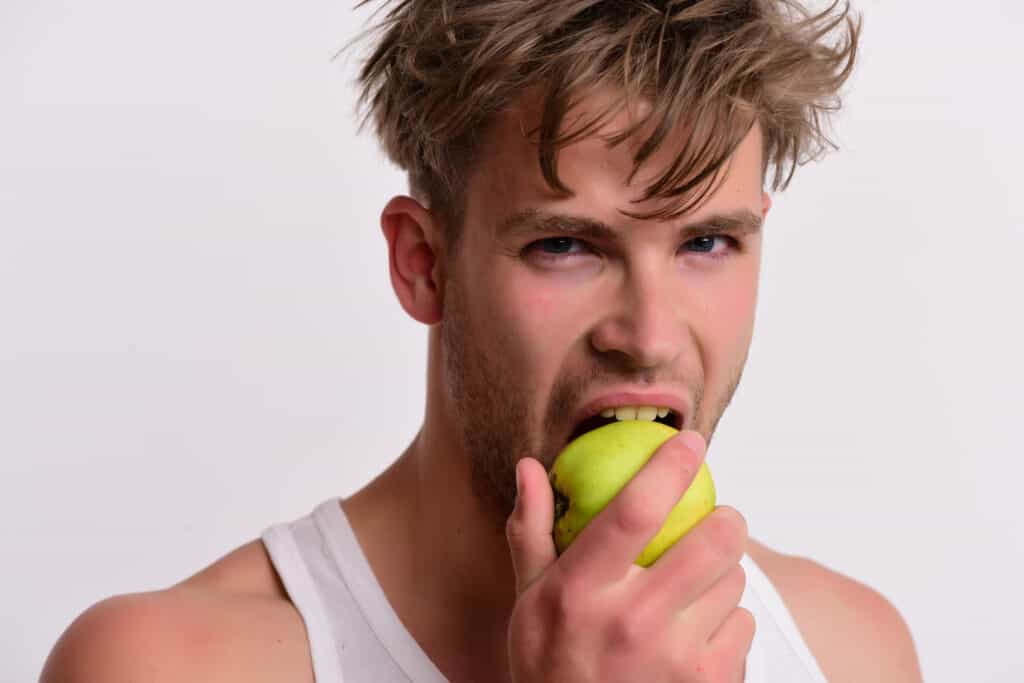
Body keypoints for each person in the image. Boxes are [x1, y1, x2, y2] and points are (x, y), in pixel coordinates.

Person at [41, 1, 923, 681]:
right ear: (424, 263)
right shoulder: (170, 663)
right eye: (566, 245)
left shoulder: (849, 651)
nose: (649, 338)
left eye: (706, 243)